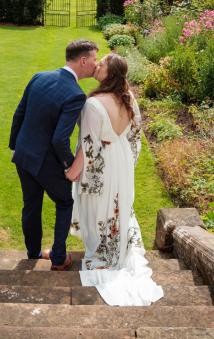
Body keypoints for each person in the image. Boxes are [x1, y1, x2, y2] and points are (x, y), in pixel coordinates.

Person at [66, 53, 164, 306]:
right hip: (120, 161)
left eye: (102, 64)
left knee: (96, 205)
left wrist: (73, 172)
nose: (96, 65)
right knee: (117, 205)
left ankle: (101, 251)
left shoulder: (94, 104)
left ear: (108, 74)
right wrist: (128, 164)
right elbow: (135, 137)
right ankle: (115, 249)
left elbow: (87, 147)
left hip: (101, 164)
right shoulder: (128, 98)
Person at [9, 39, 99, 271]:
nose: (96, 64)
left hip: (23, 155)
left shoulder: (39, 76)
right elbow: (59, 140)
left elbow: (19, 114)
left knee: (30, 205)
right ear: (83, 60)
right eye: (94, 59)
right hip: (45, 162)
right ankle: (58, 259)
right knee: (64, 201)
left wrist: (14, 147)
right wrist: (69, 166)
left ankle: (33, 253)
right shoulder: (76, 95)